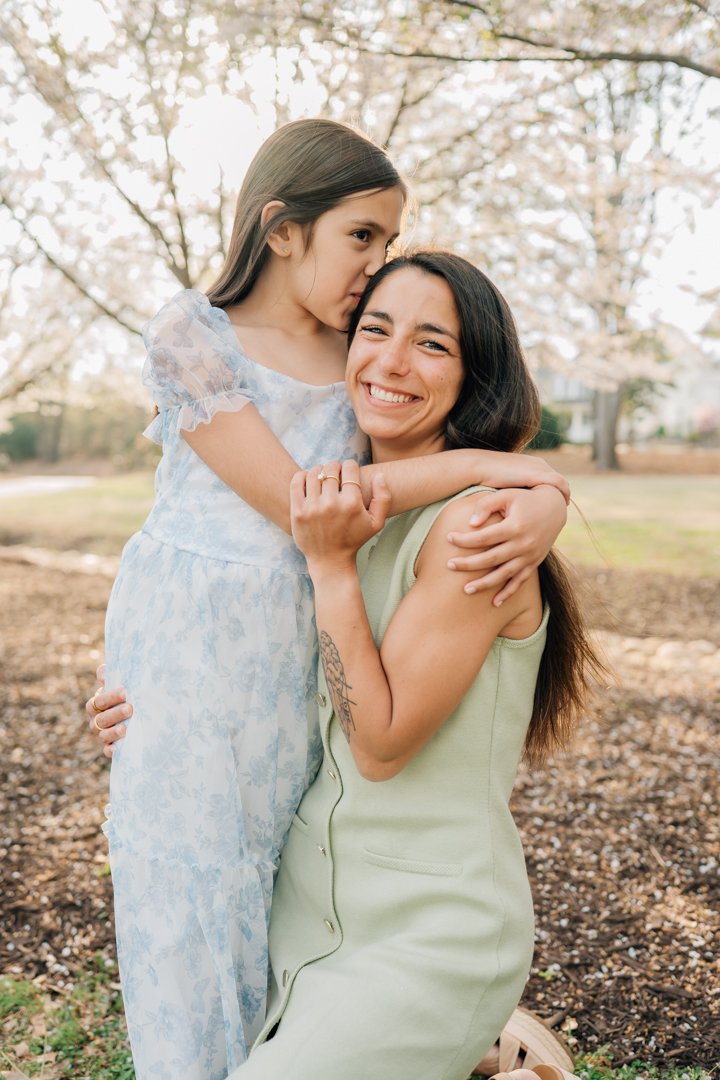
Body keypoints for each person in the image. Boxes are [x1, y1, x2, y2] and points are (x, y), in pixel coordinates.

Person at [91, 119, 570, 1080]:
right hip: (182, 681)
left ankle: (454, 1030)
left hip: (301, 689)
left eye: (388, 242)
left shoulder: (363, 355)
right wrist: (524, 473)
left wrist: (541, 496)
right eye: (363, 236)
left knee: (279, 897)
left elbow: (413, 456)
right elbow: (301, 505)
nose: (375, 265)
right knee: (186, 917)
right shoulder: (195, 336)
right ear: (280, 229)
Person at [213, 250, 605, 1079]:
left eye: (432, 344)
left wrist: (329, 568)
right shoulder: (331, 498)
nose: (390, 361)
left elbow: (380, 746)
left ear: (477, 378)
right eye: (374, 329)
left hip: (430, 934)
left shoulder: (478, 531)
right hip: (303, 915)